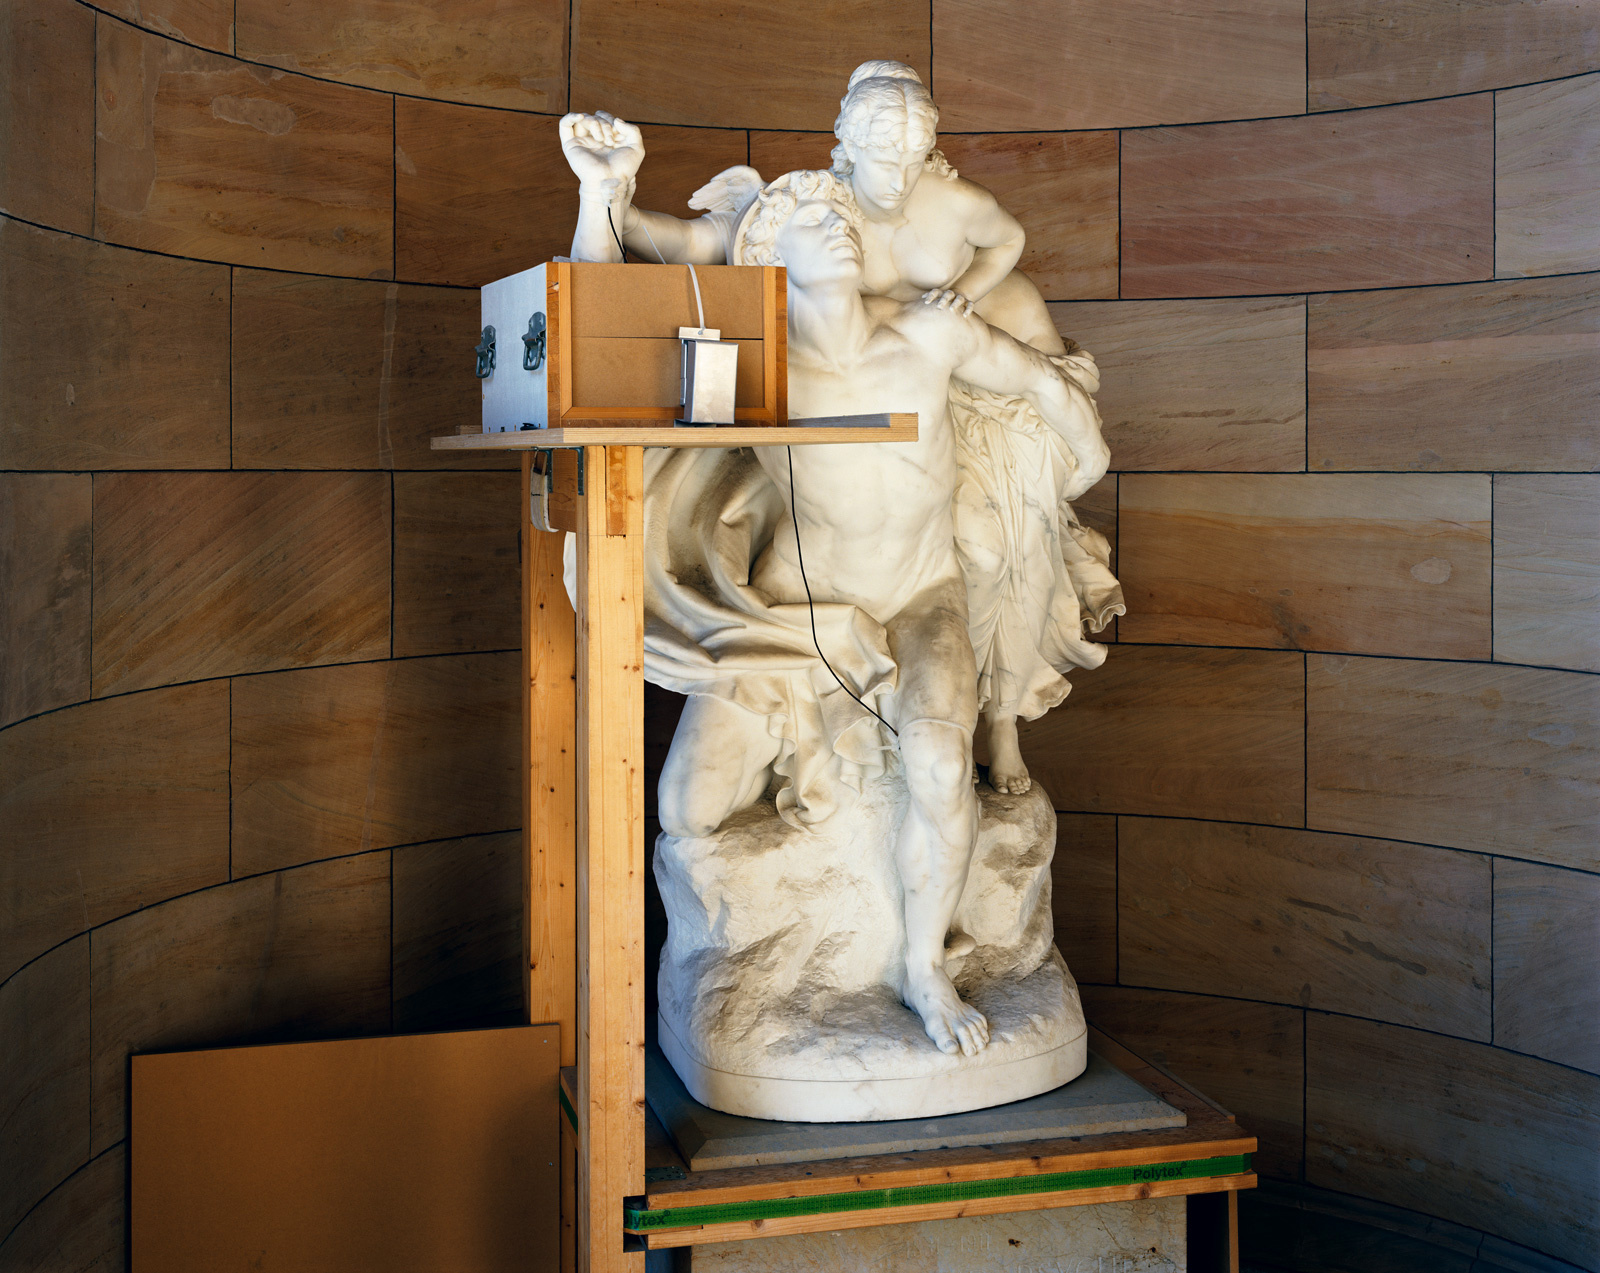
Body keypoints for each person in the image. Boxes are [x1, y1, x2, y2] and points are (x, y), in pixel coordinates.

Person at [631, 170, 1108, 1059]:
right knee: (686, 809)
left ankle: (923, 967)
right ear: (770, 254)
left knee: (940, 761)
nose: (841, 226)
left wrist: (1084, 459)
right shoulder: (752, 362)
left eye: (844, 214)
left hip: (923, 598)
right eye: (815, 219)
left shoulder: (930, 330)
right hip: (793, 615)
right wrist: (601, 202)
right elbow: (595, 330)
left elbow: (1042, 384)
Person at [559, 62, 1122, 801]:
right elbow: (636, 281)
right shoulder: (795, 211)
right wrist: (608, 197)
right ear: (846, 144)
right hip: (833, 463)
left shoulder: (944, 227)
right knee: (693, 800)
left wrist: (962, 306)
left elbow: (1023, 322)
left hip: (951, 404)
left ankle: (999, 715)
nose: (896, 177)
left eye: (913, 155)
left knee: (990, 544)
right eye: (883, 154)